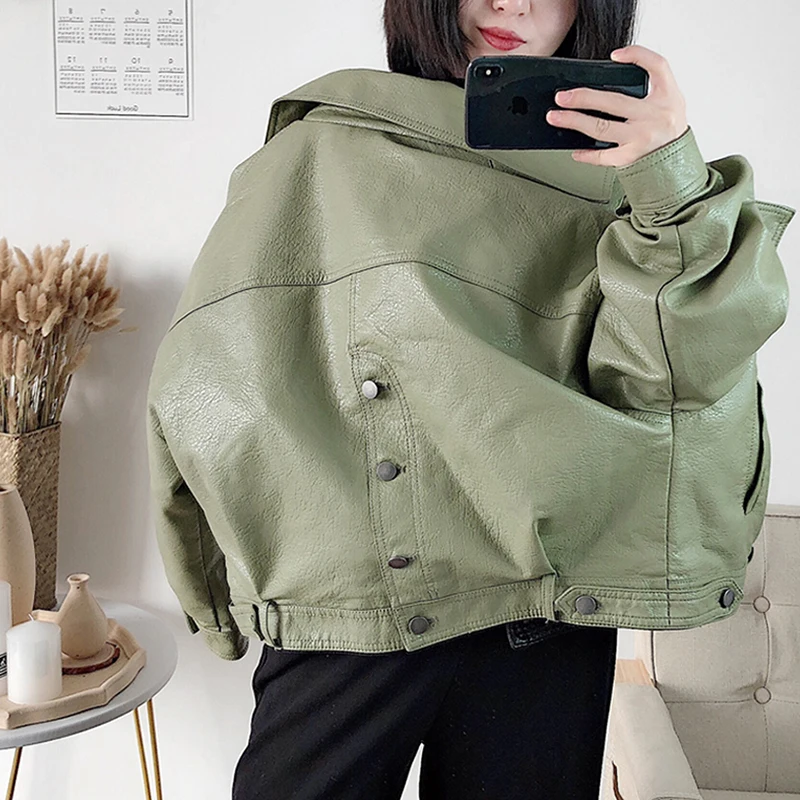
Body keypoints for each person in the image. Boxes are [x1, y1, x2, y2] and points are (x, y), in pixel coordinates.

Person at [145, 0, 793, 798]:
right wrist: (214, 577)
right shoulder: (322, 154)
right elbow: (208, 377)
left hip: (548, 600)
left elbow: (668, 384)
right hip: (355, 603)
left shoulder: (630, 175)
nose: (511, 3)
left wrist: (669, 179)